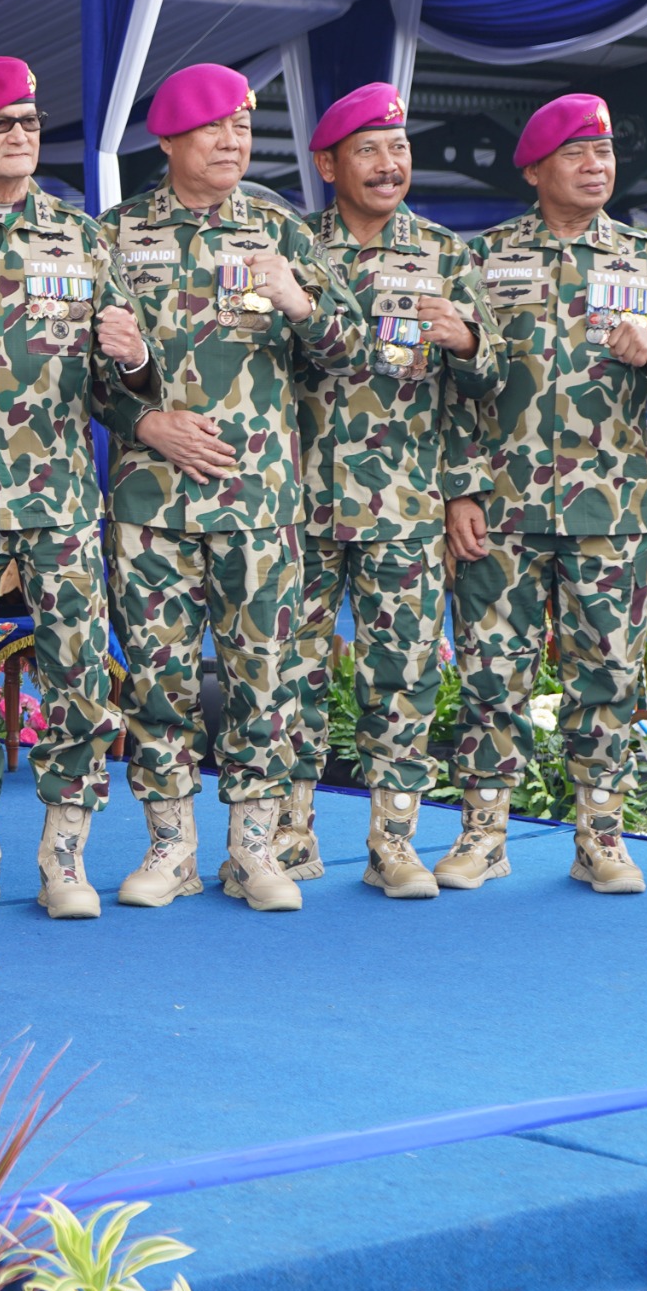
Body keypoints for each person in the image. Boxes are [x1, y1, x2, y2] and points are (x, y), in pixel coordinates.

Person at [442, 95, 647, 894]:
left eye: (604, 154)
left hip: (609, 505)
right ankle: (483, 834)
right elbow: (446, 386)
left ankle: (601, 837)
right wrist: (460, 487)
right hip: (501, 505)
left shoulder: (646, 258)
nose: (596, 166)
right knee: (491, 672)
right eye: (576, 154)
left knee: (609, 673)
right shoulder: (482, 258)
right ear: (535, 170)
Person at [95, 65, 359, 913]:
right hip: (151, 502)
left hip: (259, 501)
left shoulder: (281, 229)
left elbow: (351, 350)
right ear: (170, 139)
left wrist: (299, 302)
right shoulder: (115, 236)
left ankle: (255, 850)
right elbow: (75, 369)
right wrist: (144, 419)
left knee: (263, 676)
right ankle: (169, 848)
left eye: (242, 128)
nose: (231, 141)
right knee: (156, 679)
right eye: (213, 128)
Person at [0, 57, 152, 917]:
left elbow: (124, 390)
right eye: (0, 124)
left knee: (80, 676)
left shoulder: (84, 239)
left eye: (31, 124)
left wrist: (137, 360)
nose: (19, 136)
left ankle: (64, 859)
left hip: (60, 498)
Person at [279, 83, 497, 901]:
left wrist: (468, 344)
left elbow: (481, 388)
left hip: (404, 503)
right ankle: (287, 836)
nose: (387, 164)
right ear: (328, 164)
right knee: (287, 670)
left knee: (401, 677)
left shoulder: (444, 254)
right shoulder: (293, 248)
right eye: (367, 150)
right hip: (296, 501)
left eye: (398, 149)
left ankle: (394, 844)